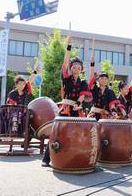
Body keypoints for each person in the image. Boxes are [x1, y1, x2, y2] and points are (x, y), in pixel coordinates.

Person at [42, 36, 92, 167]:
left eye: (79, 68)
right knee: (56, 132)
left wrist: (79, 103)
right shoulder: (67, 78)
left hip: (76, 109)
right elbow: (65, 63)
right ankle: (46, 158)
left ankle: (76, 156)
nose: (76, 70)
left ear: (81, 70)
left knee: (79, 133)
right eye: (74, 67)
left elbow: (82, 96)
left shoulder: (83, 83)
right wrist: (68, 46)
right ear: (71, 69)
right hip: (65, 108)